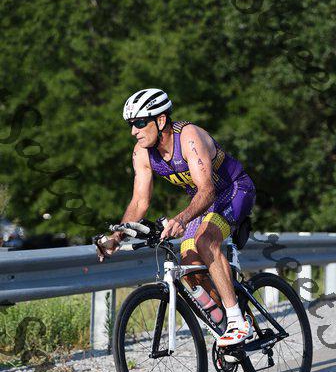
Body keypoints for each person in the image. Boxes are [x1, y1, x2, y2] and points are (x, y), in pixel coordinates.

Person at [100, 88, 256, 347]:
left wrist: (181, 219)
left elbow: (207, 190)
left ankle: (238, 321)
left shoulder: (189, 137)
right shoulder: (142, 152)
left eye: (140, 123)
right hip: (203, 203)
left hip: (233, 191)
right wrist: (116, 237)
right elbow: (139, 202)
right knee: (189, 271)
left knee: (205, 241)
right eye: (131, 125)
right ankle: (224, 327)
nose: (134, 131)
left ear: (161, 120)